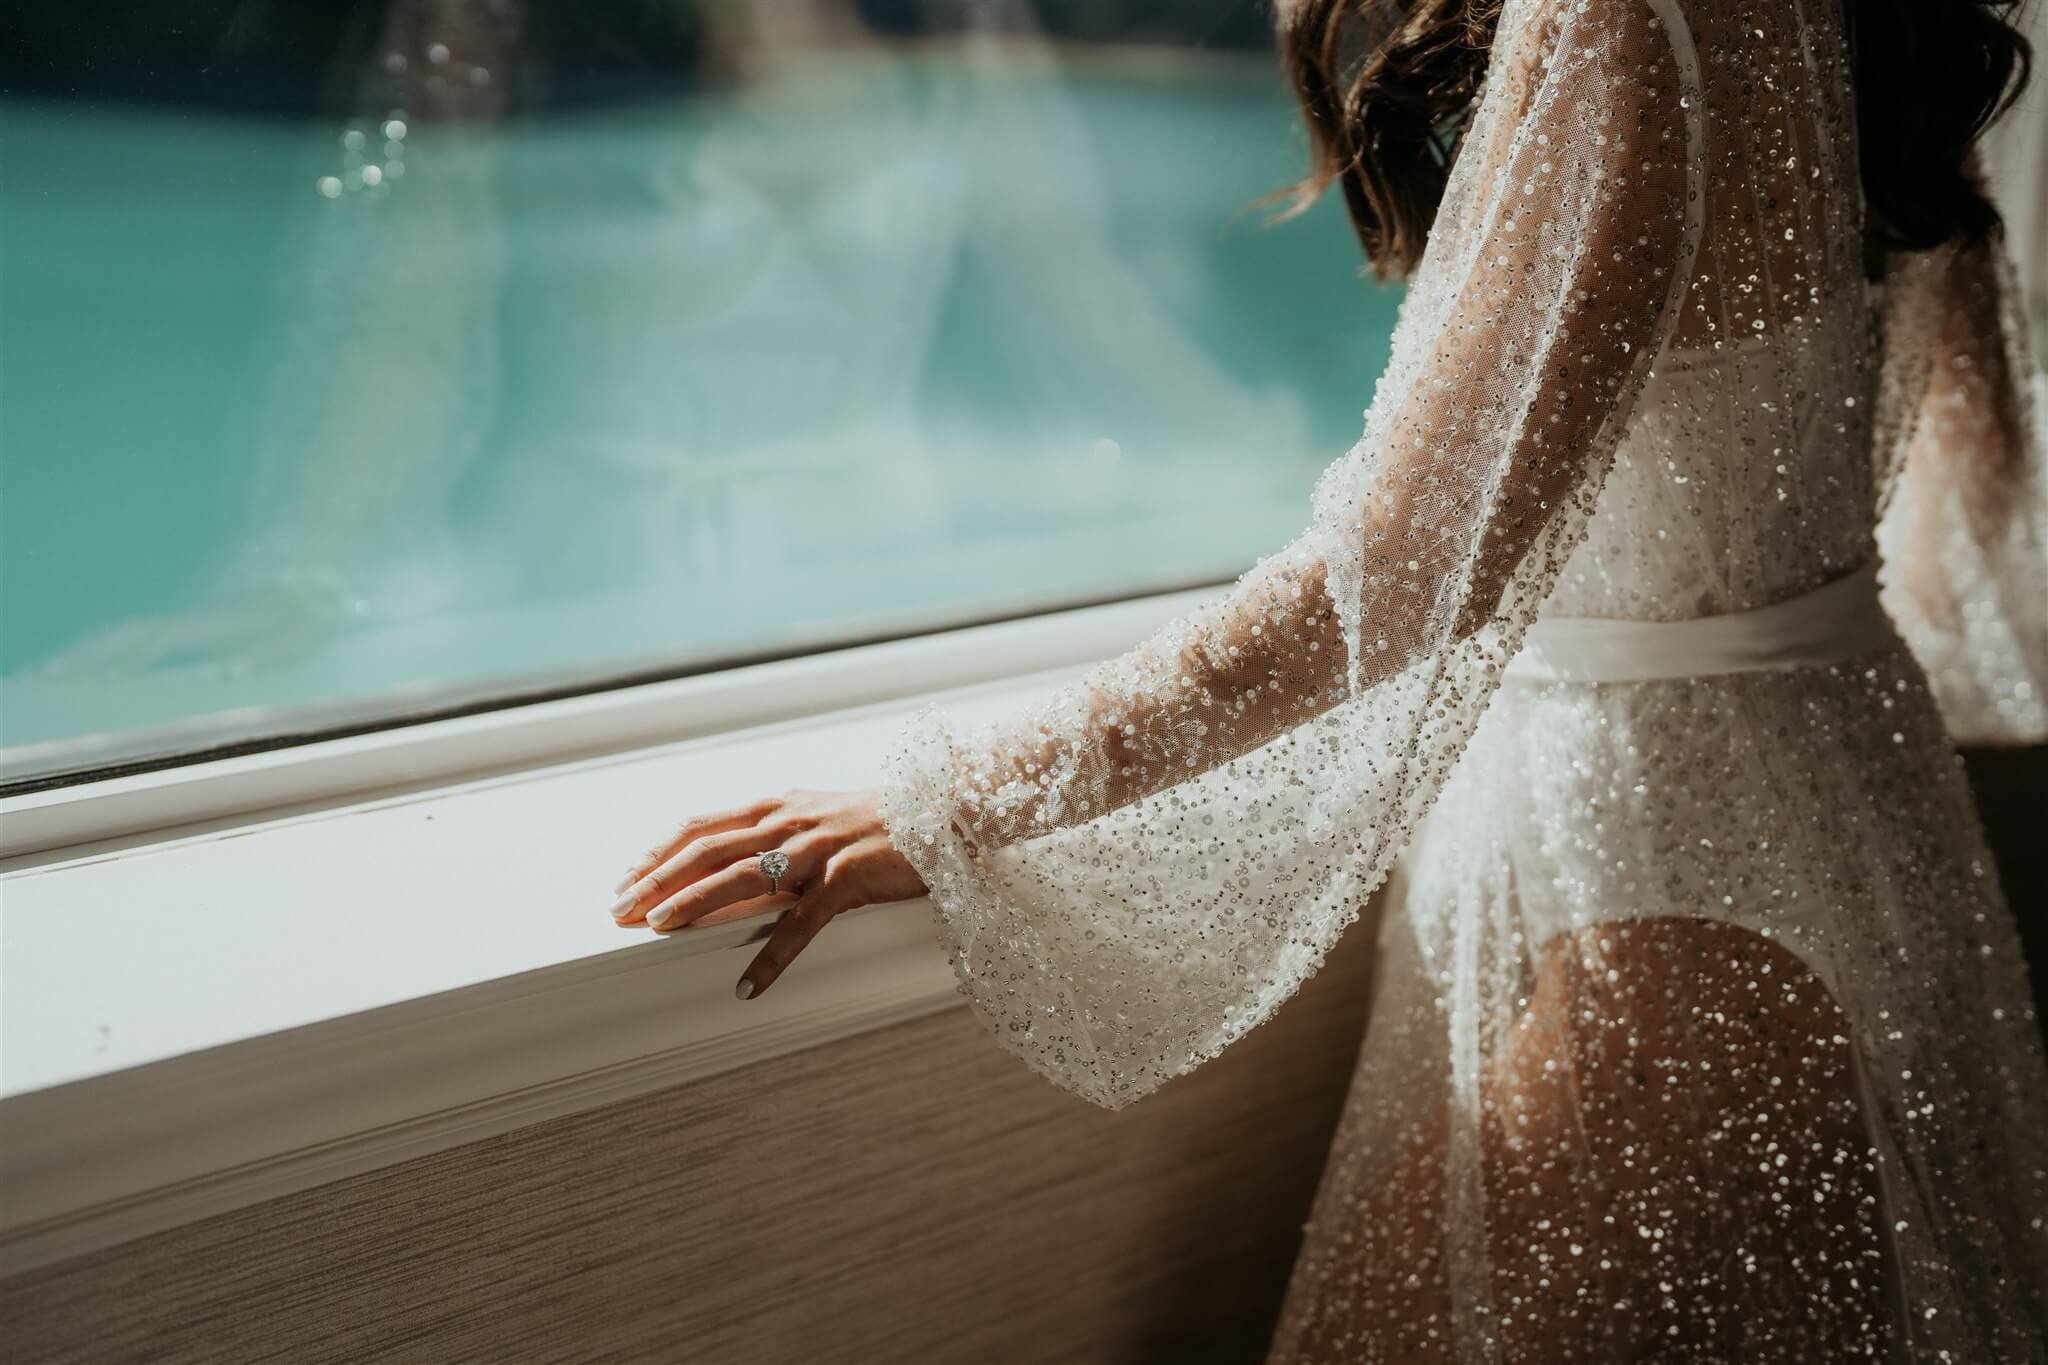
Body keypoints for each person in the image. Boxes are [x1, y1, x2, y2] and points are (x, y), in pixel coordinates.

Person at [605, 0, 2048, 1354]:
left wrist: (965, 796)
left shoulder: (1618, 15)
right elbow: (1968, 493)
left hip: (1661, 923)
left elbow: (1405, 562)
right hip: (1870, 859)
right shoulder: (1881, 13)